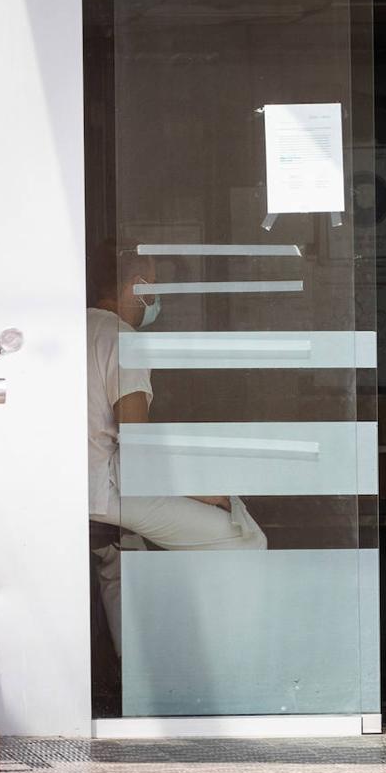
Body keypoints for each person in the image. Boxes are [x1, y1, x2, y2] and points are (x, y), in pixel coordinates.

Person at [87, 241, 267, 656]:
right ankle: (234, 659)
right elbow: (138, 449)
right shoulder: (122, 339)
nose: (157, 297)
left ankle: (133, 675)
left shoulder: (78, 329)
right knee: (244, 542)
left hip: (73, 483)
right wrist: (205, 493)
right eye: (155, 285)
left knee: (122, 559)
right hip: (105, 490)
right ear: (136, 287)